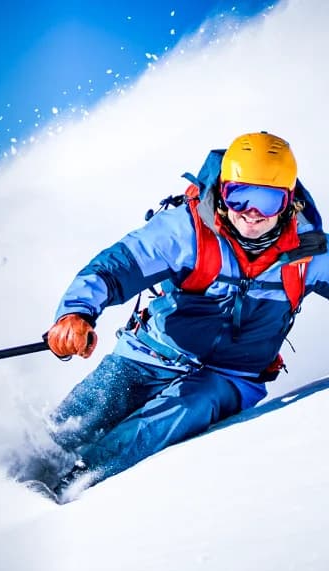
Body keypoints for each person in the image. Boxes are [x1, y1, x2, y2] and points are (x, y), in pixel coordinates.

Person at [26, 131, 329, 501]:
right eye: (239, 195)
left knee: (181, 410)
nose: (251, 212)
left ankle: (63, 493)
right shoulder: (187, 230)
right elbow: (116, 266)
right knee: (69, 426)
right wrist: (76, 313)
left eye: (266, 200)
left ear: (289, 202)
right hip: (150, 355)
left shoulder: (307, 252)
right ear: (222, 190)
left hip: (231, 376)